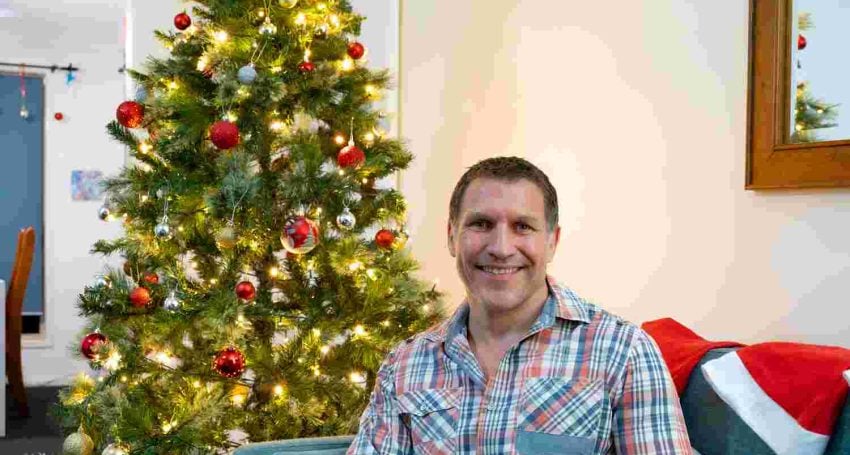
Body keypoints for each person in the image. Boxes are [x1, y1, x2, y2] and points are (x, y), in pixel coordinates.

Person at [348, 156, 691, 454]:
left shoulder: (623, 352)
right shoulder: (405, 365)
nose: (500, 247)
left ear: (552, 242)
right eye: (481, 224)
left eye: (522, 226)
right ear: (452, 236)